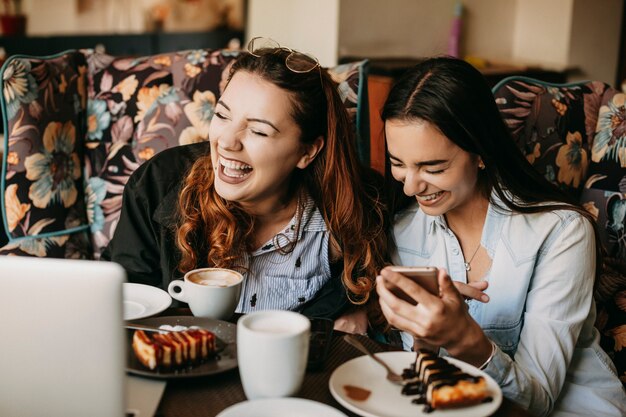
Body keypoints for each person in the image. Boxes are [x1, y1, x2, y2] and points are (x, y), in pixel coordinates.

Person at [376, 56, 626, 416]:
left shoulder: (561, 233)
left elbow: (537, 402)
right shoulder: (402, 231)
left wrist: (465, 339)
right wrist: (425, 340)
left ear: (480, 153)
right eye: (398, 163)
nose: (412, 185)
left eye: (434, 167)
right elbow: (427, 376)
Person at [102, 39, 389, 333]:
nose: (226, 142)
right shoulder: (157, 184)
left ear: (308, 152)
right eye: (223, 115)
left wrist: (360, 305)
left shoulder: (361, 203)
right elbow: (125, 298)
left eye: (258, 131)